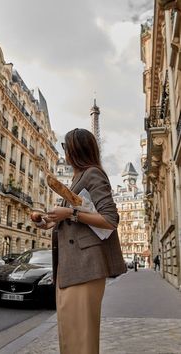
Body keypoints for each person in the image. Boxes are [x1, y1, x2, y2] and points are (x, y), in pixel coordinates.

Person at [37, 128, 126, 354]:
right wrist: (47, 220)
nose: (64, 152)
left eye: (66, 147)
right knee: (70, 335)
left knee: (81, 338)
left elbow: (110, 219)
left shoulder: (93, 174)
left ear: (75, 150)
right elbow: (74, 220)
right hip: (71, 266)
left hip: (85, 266)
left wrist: (69, 214)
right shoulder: (77, 178)